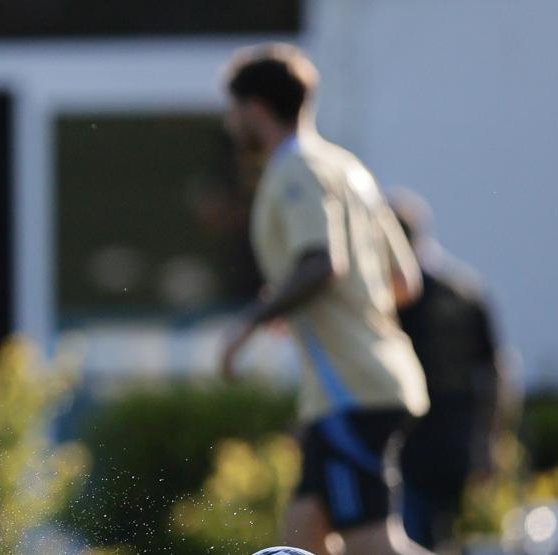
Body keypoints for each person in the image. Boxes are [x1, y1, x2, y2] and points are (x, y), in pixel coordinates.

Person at [215, 43, 431, 555]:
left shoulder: (295, 170)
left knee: (371, 546)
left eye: (233, 110)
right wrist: (305, 305)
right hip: (367, 378)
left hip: (350, 390)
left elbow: (322, 263)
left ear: (253, 109)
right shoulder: (346, 167)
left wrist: (250, 321)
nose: (230, 123)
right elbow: (403, 281)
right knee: (302, 530)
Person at [388, 188, 510, 554]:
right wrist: (490, 438)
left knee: (411, 536)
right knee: (441, 536)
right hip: (459, 437)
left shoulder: (397, 294)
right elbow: (497, 370)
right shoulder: (467, 288)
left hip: (411, 438)